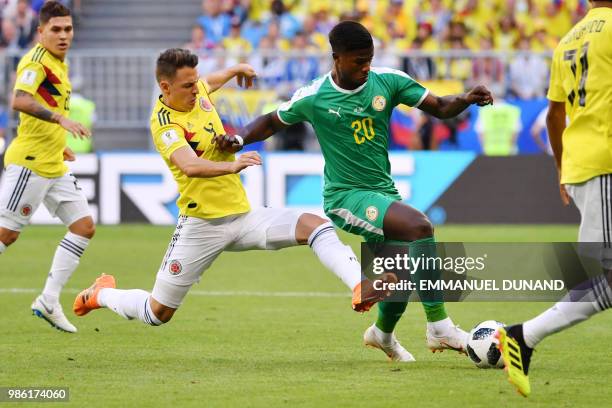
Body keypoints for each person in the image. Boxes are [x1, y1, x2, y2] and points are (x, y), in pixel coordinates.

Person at [214, 21, 494, 361]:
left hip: (382, 191)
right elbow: (272, 120)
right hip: (345, 197)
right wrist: (239, 138)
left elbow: (439, 106)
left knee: (397, 275)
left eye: (369, 59)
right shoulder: (315, 96)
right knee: (420, 227)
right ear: (337, 58)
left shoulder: (388, 81)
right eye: (358, 61)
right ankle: (440, 328)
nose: (366, 67)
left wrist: (465, 98)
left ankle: (381, 335)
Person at [72, 49, 394, 330]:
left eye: (195, 82)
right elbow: (190, 166)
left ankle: (361, 285)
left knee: (316, 225)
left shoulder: (195, 89)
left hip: (242, 217)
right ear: (165, 87)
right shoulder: (165, 124)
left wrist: (237, 69)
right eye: (187, 86)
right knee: (157, 313)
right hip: (201, 227)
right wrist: (233, 164)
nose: (196, 90)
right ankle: (101, 293)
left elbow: (211, 81)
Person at [496, 1, 612, 397]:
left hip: (583, 165)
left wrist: (562, 169)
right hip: (605, 165)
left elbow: (552, 115)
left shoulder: (567, 40)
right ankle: (523, 336)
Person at [0, 1, 92, 333]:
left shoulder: (59, 63)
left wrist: (59, 141)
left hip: (52, 162)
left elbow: (42, 106)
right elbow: (20, 100)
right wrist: (60, 119)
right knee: (6, 234)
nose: (63, 35)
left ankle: (49, 300)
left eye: (68, 28)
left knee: (83, 226)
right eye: (56, 29)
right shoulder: (36, 60)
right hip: (30, 163)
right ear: (41, 31)